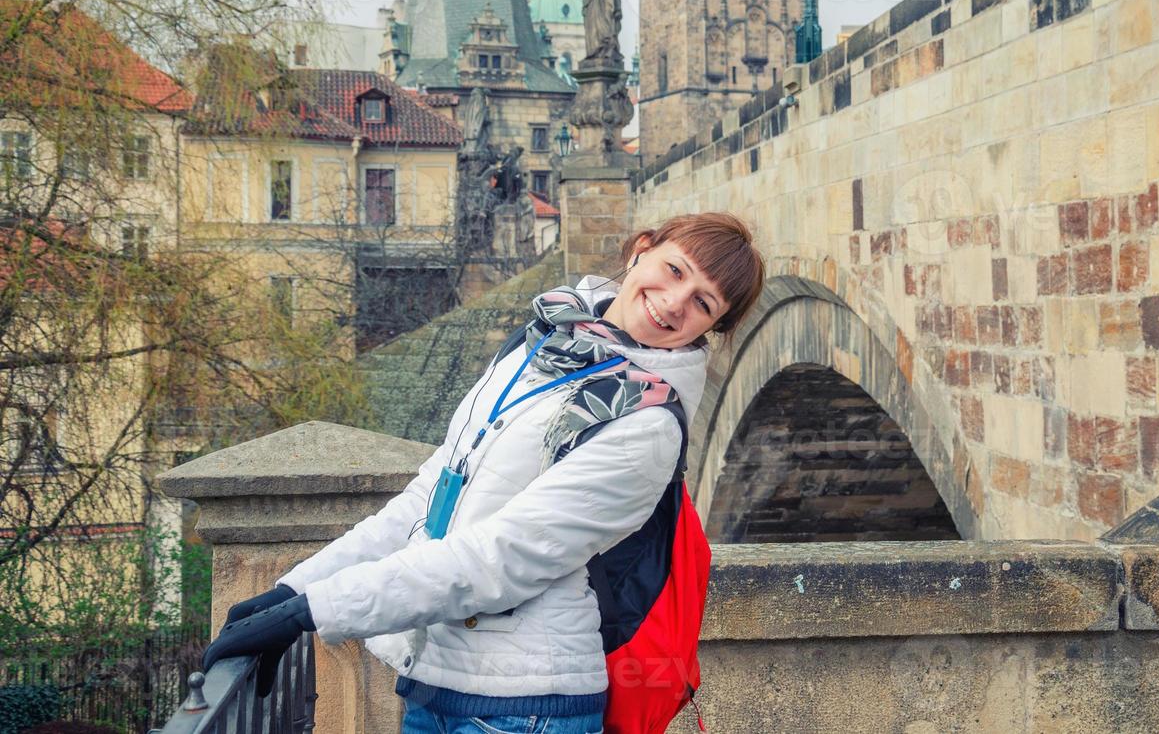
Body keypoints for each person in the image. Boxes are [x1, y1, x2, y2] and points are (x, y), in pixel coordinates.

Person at [201, 212, 765, 734]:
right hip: (436, 685)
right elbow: (432, 496)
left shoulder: (648, 426)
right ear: (642, 249)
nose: (673, 302)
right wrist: (296, 587)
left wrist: (318, 610)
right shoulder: (543, 341)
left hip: (528, 708)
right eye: (674, 270)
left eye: (702, 303)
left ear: (708, 329)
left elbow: (502, 557)